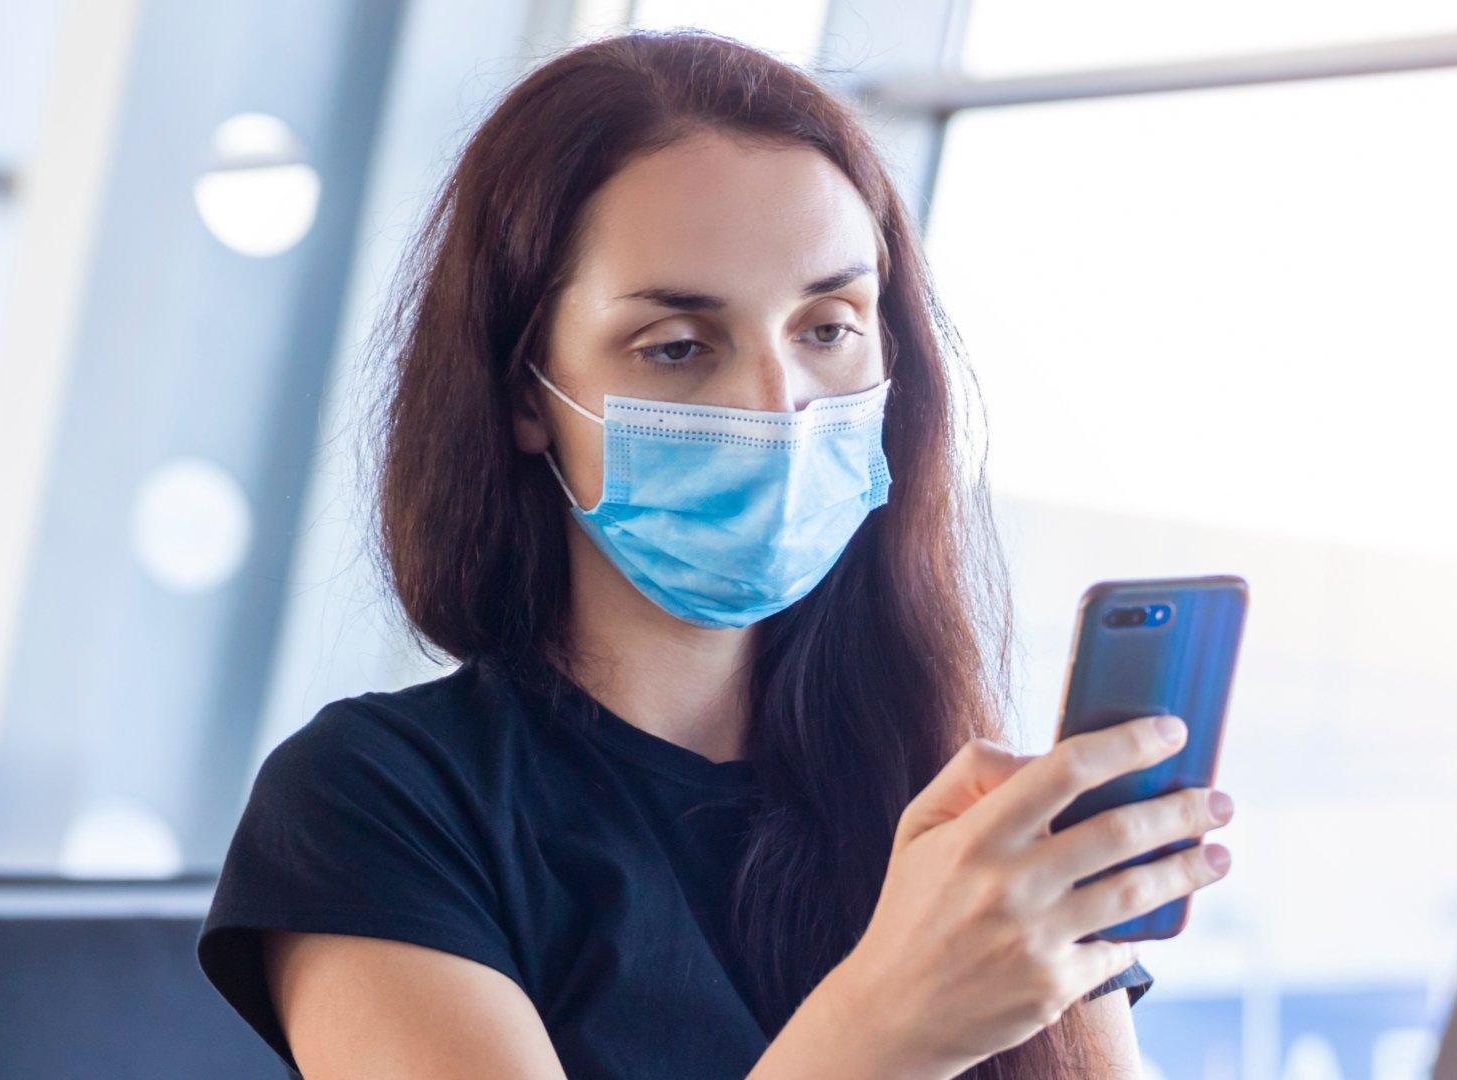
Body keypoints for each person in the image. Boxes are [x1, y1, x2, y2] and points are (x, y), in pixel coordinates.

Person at [196, 28, 1233, 1079]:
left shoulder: (936, 784)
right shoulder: (379, 801)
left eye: (829, 327)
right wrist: (887, 1029)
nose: (778, 405)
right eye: (680, 347)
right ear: (522, 392)